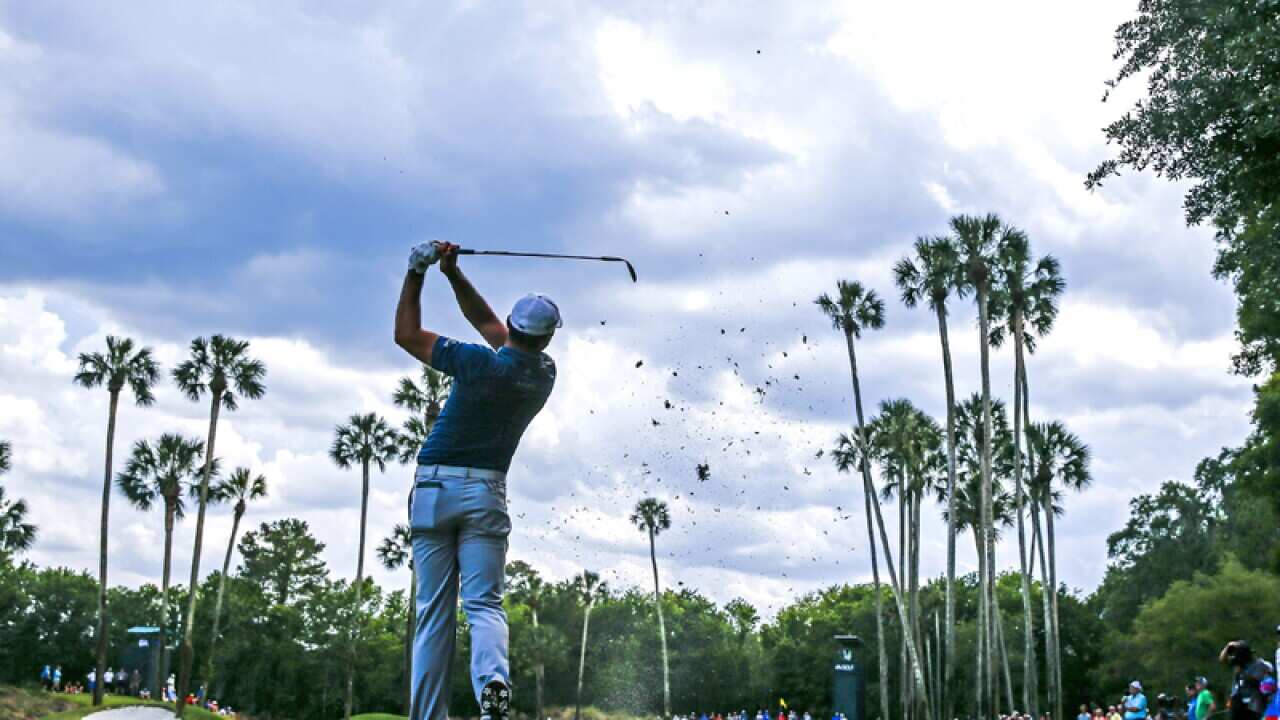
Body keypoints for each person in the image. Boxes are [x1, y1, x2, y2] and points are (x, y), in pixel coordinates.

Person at [395, 241, 559, 720]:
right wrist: (454, 273)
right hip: (487, 493)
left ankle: (427, 715)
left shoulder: (474, 361)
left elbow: (406, 334)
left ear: (512, 328)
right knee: (484, 604)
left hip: (434, 488)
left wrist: (418, 270)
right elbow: (490, 328)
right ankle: (493, 692)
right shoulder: (544, 373)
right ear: (545, 340)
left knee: (433, 613)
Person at [1222, 640, 1274, 720]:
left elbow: (1264, 685)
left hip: (1253, 705)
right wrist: (1228, 647)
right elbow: (1223, 660)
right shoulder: (1239, 665)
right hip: (1238, 704)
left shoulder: (1259, 664)